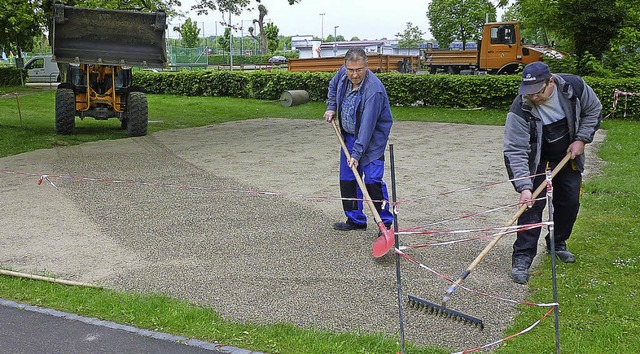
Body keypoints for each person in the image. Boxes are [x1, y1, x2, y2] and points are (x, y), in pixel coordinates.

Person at [504, 61, 602, 284]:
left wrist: (581, 139)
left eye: (538, 92)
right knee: (531, 207)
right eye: (529, 93)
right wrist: (525, 187)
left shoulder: (573, 87)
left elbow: (593, 110)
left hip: (568, 152)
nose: (534, 98)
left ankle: (557, 243)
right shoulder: (520, 108)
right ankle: (522, 258)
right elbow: (515, 149)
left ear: (551, 82)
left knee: (569, 202)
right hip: (536, 157)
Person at [323, 48, 394, 235]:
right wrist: (332, 107)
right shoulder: (343, 73)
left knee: (372, 181)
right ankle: (355, 220)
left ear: (366, 66)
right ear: (345, 66)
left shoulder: (374, 90)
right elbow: (332, 86)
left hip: (371, 140)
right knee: (348, 179)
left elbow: (367, 127)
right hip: (348, 136)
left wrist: (356, 154)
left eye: (359, 70)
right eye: (350, 70)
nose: (354, 75)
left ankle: (384, 224)